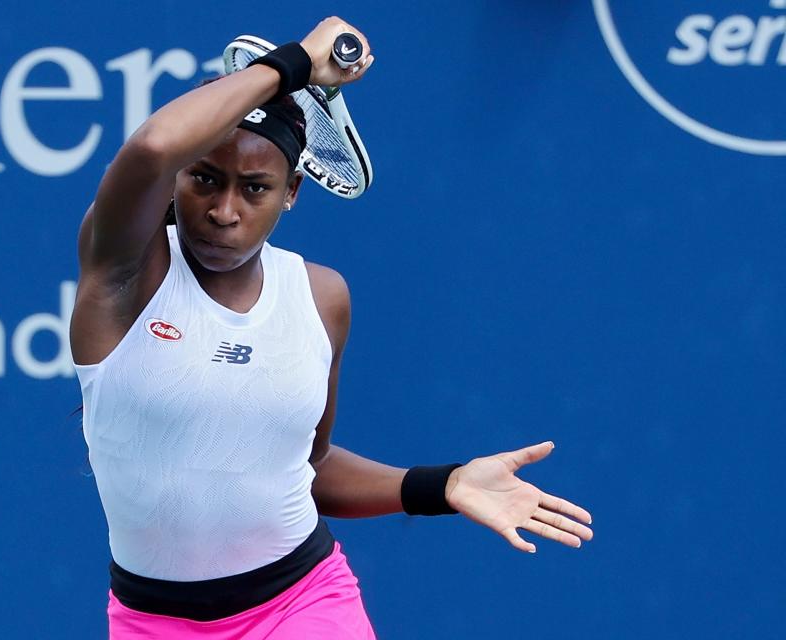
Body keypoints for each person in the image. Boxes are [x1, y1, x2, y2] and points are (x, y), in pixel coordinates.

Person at [69, 17, 593, 639]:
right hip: (152, 624)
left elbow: (306, 466)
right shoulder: (126, 272)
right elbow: (153, 148)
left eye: (255, 188)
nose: (224, 211)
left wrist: (440, 485)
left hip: (304, 602)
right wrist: (294, 65)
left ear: (291, 191)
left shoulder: (322, 297)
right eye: (204, 178)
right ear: (178, 178)